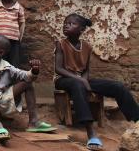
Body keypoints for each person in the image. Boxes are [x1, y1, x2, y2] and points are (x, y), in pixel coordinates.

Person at [55, 13, 139, 150]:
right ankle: (91, 132)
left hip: (82, 79)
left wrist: (85, 80)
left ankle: (137, 120)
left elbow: (86, 70)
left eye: (71, 23)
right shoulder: (60, 44)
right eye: (65, 23)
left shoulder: (87, 47)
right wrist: (81, 80)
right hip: (63, 79)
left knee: (117, 86)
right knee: (77, 85)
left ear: (81, 30)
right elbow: (58, 69)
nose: (66, 25)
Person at [0, 34, 55, 142]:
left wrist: (34, 71)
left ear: (0, 53)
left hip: (2, 101)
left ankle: (33, 122)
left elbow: (26, 76)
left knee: (27, 84)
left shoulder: (7, 67)